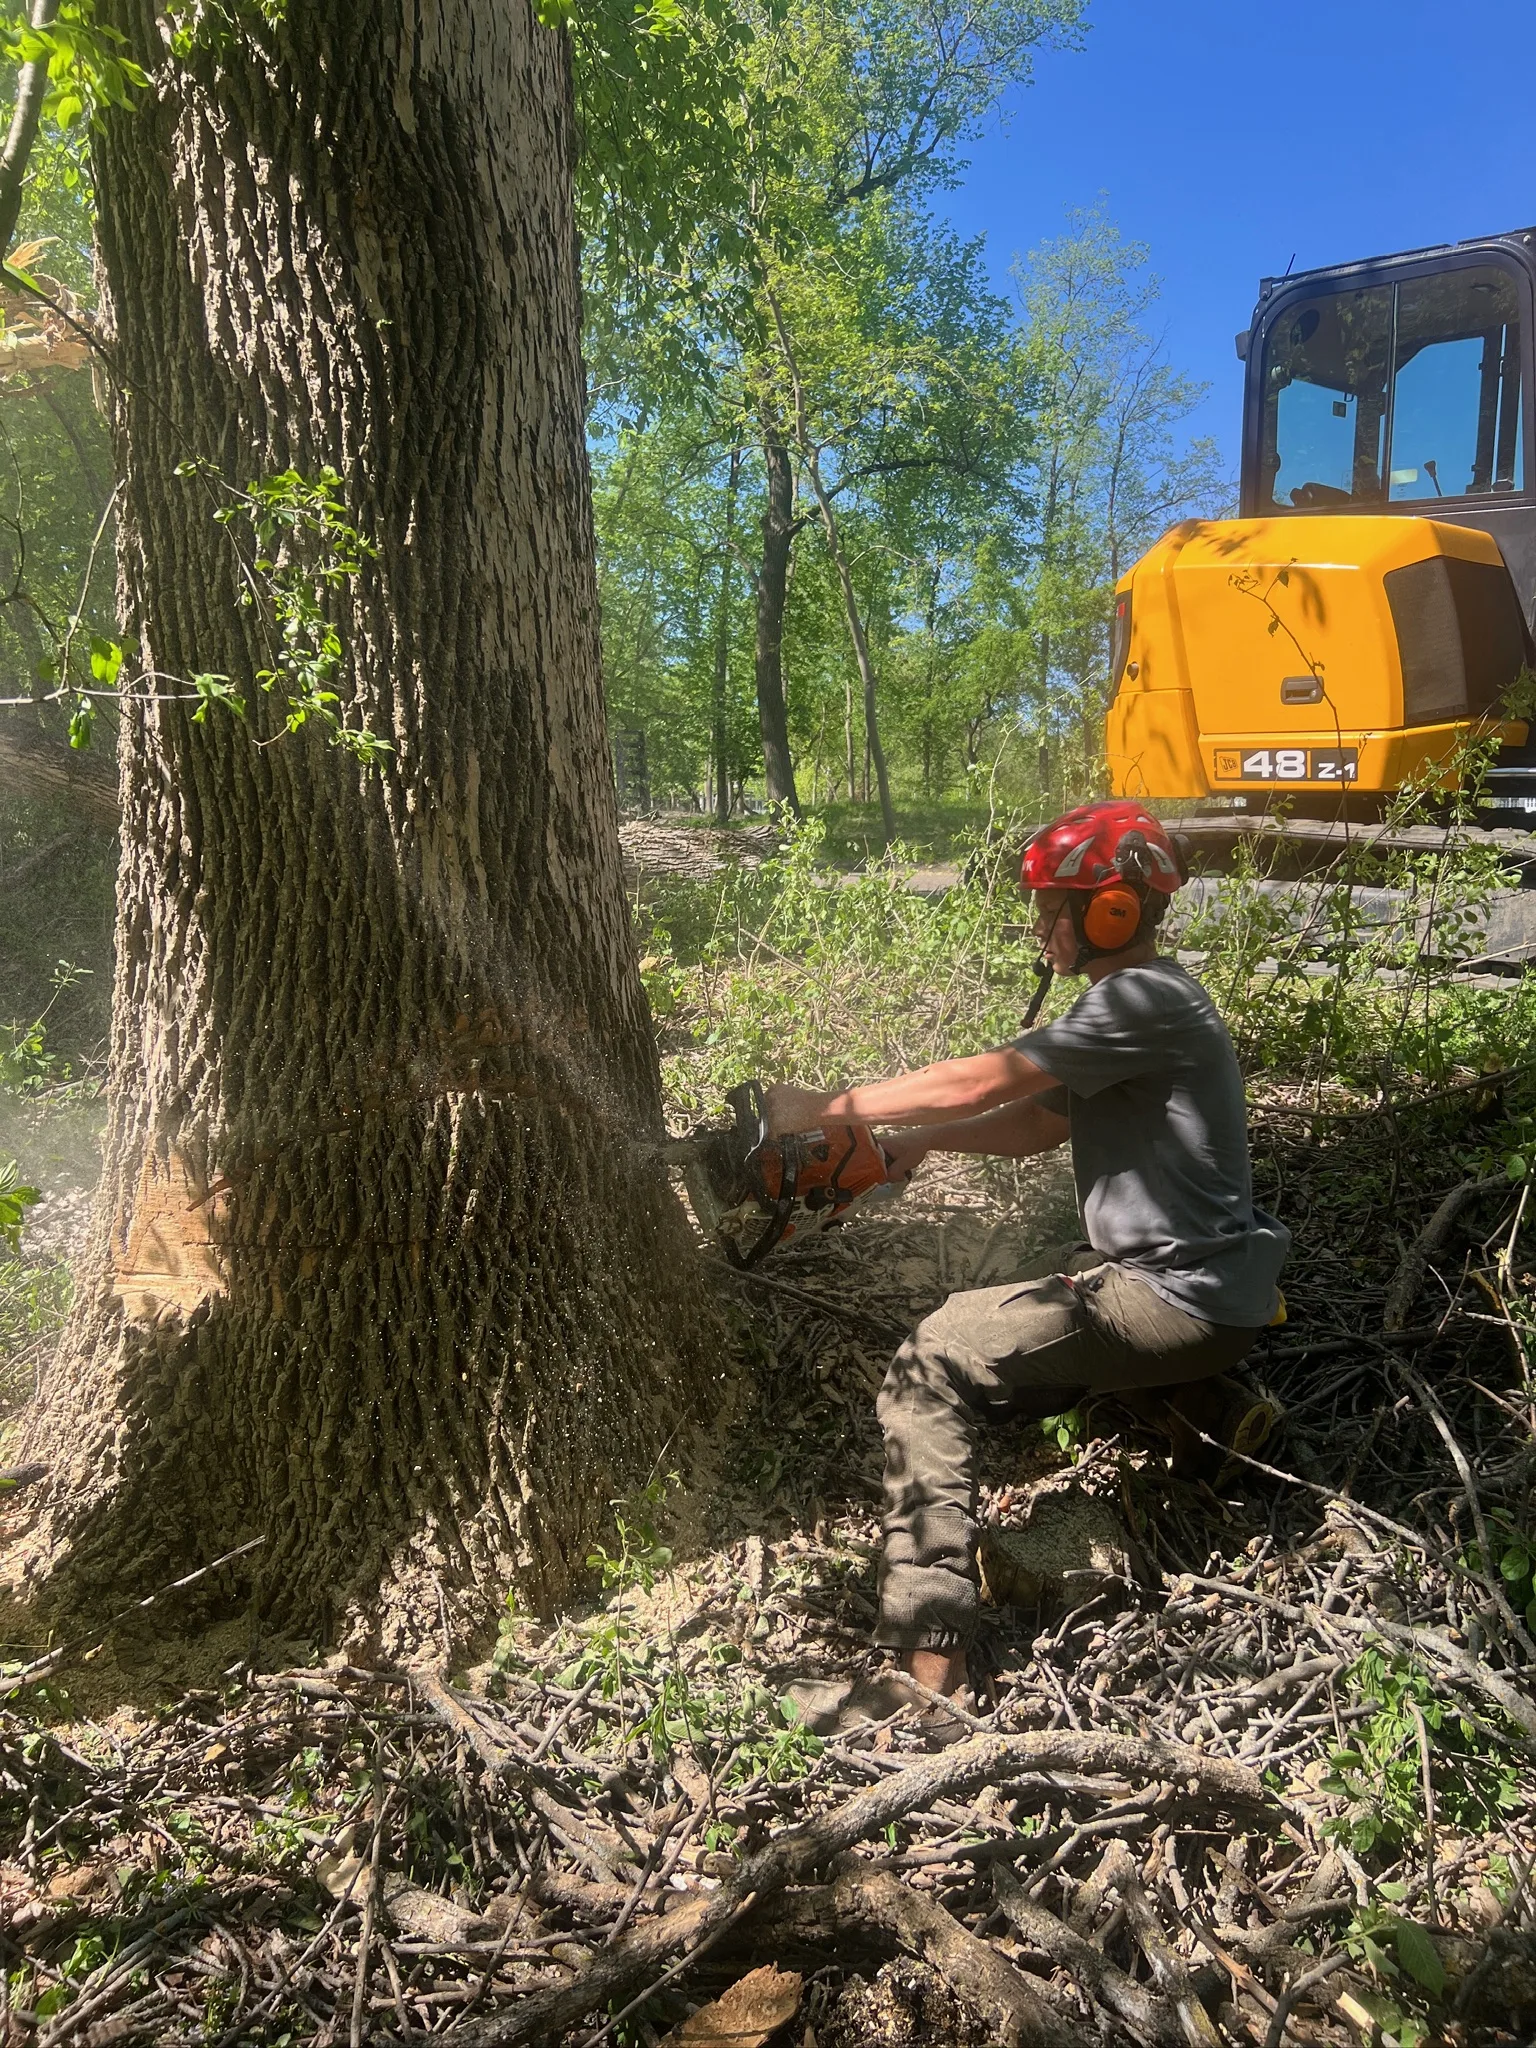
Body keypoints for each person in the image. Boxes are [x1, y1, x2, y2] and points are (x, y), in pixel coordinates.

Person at [765, 801, 1289, 1702]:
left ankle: (928, 1665)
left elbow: (985, 1077)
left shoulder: (1141, 996)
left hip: (1175, 1297)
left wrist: (828, 1105)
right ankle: (1205, 1415)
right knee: (1059, 1262)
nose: (1040, 924)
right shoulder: (1148, 1002)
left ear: (1114, 912)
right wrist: (922, 1145)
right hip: (1220, 1292)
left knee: (931, 1362)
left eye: (1054, 906)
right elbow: (1040, 1121)